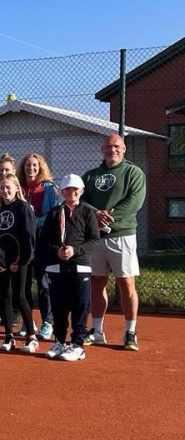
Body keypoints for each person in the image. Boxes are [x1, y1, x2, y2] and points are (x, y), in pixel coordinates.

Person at [82, 133, 146, 351]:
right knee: (96, 281)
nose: (113, 149)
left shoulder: (133, 173)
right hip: (95, 237)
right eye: (108, 146)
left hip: (123, 236)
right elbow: (81, 200)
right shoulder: (90, 176)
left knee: (126, 283)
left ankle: (130, 332)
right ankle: (97, 331)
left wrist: (108, 216)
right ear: (102, 149)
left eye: (117, 146)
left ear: (124, 148)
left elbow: (135, 201)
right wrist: (95, 214)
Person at [38, 174, 100, 362]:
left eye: (75, 189)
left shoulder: (88, 212)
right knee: (58, 307)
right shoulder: (55, 213)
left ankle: (78, 345)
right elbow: (44, 240)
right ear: (62, 192)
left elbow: (94, 239)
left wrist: (76, 250)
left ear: (81, 191)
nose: (71, 192)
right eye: (67, 189)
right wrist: (57, 251)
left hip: (80, 267)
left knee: (80, 306)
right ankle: (59, 341)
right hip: (56, 268)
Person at [0, 173, 38, 353]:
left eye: (8, 187)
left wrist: (21, 261)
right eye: (2, 188)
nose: (5, 191)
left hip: (19, 261)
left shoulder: (24, 208)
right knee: (4, 297)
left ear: (17, 188)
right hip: (0, 263)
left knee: (20, 296)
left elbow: (30, 237)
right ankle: (9, 336)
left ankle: (31, 336)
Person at [18, 153, 60, 340]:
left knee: (43, 284)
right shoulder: (19, 186)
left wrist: (33, 222)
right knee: (24, 284)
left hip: (42, 241)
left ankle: (47, 322)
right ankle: (28, 322)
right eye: (28, 165)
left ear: (40, 167)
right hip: (23, 242)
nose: (31, 168)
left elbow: (53, 213)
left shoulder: (49, 188)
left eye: (35, 165)